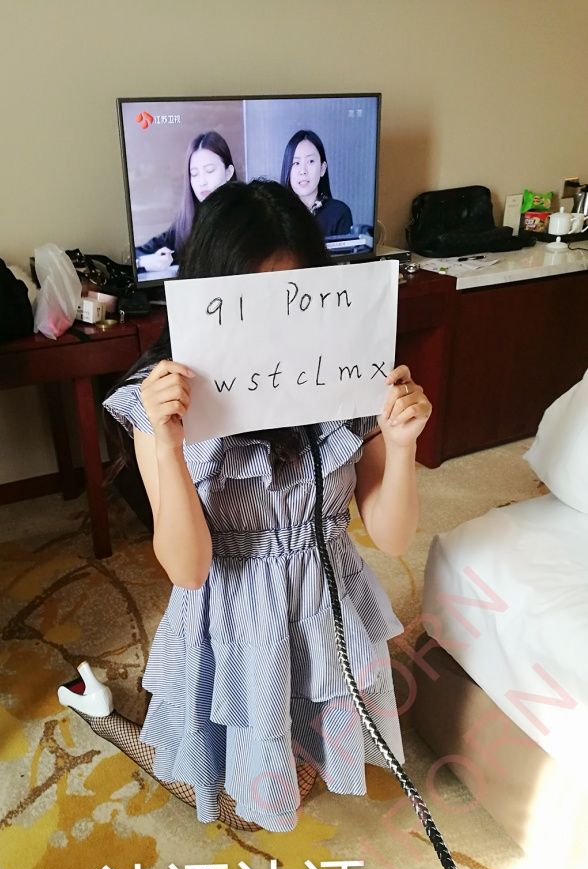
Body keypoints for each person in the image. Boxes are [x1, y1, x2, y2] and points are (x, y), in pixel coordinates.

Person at [104, 179, 432, 832]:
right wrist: (167, 446)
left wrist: (401, 447)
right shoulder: (160, 400)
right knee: (242, 783)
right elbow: (188, 569)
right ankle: (113, 721)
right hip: (233, 617)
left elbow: (393, 539)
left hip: (320, 604)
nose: (274, 328)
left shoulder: (348, 379)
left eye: (293, 298)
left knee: (304, 747)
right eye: (249, 302)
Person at [135, 131, 237, 273]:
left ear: (228, 172)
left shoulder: (247, 218)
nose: (202, 182)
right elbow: (137, 254)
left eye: (209, 170)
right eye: (194, 174)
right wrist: (144, 262)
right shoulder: (186, 222)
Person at [280, 129, 354, 238]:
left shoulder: (339, 213)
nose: (303, 171)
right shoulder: (277, 214)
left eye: (310, 161)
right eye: (296, 163)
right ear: (287, 170)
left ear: (322, 169)